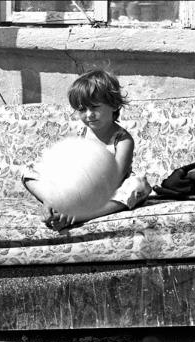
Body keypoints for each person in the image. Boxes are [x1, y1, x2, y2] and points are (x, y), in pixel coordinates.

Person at [22, 69, 151, 232]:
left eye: (95, 107)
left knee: (139, 185)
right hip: (76, 187)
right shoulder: (80, 134)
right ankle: (53, 202)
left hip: (108, 192)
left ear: (113, 105)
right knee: (30, 170)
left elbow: (115, 178)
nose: (89, 115)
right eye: (82, 109)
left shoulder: (123, 140)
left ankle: (80, 216)